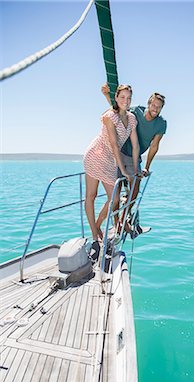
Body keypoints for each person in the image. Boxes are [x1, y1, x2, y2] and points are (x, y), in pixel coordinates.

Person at [102, 84, 167, 235]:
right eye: (153, 105)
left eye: (159, 107)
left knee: (135, 190)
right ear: (149, 103)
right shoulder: (135, 111)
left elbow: (154, 147)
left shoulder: (161, 123)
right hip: (119, 153)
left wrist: (147, 167)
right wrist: (107, 96)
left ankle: (125, 218)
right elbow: (117, 111)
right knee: (115, 195)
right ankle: (117, 222)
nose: (155, 109)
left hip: (135, 158)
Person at [83, 84, 139, 258]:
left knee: (114, 199)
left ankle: (98, 226)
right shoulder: (109, 116)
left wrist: (136, 169)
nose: (126, 101)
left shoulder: (131, 119)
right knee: (91, 196)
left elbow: (135, 145)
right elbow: (114, 145)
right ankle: (94, 237)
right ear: (116, 98)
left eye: (129, 98)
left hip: (109, 161)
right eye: (122, 97)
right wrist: (123, 170)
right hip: (96, 155)